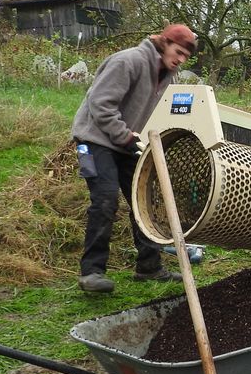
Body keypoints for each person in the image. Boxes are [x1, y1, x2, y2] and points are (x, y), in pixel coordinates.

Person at [71, 24, 196, 293]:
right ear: (164, 43)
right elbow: (100, 104)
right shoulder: (128, 61)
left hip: (124, 143)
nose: (181, 59)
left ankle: (149, 268)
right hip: (92, 140)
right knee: (105, 199)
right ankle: (92, 272)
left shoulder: (166, 75)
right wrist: (125, 136)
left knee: (144, 202)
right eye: (178, 52)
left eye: (186, 56)